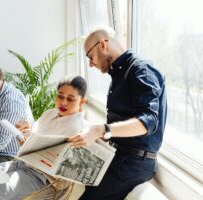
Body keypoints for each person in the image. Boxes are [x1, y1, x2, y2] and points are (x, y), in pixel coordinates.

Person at [68, 26, 167, 200]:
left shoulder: (141, 70)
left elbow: (149, 121)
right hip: (117, 155)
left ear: (103, 44)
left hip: (135, 163)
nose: (91, 64)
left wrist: (102, 130)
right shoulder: (118, 75)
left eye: (90, 57)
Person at [0, 75, 88, 200]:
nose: (63, 102)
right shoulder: (49, 114)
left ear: (82, 102)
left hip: (41, 179)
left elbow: (71, 171)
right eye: (60, 96)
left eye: (70, 99)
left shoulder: (80, 130)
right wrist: (25, 133)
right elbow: (34, 139)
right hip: (22, 164)